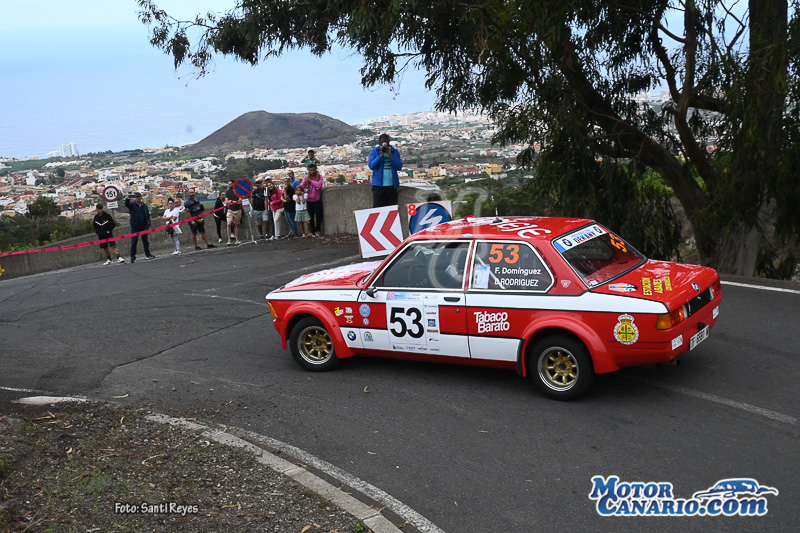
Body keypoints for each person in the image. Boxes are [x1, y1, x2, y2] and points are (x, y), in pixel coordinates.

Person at [368, 133, 403, 208]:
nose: (385, 144)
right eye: (383, 142)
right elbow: (372, 166)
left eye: (386, 142)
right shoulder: (374, 152)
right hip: (378, 185)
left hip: (392, 186)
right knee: (378, 208)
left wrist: (391, 156)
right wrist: (380, 156)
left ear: (389, 142)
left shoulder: (395, 152)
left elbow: (399, 166)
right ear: (379, 143)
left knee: (391, 208)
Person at [124, 191, 154, 263]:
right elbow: (127, 204)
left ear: (140, 197)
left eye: (138, 197)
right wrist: (127, 199)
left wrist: (148, 224)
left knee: (145, 241)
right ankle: (132, 257)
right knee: (134, 242)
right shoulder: (132, 205)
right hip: (135, 226)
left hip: (143, 226)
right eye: (136, 197)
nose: (138, 198)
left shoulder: (144, 205)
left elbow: (147, 215)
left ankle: (148, 254)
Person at [301, 164, 325, 236]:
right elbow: (302, 186)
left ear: (316, 169)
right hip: (309, 201)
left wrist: (311, 181)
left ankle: (318, 230)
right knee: (310, 217)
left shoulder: (319, 177)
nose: (312, 171)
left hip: (317, 200)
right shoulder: (306, 178)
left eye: (313, 170)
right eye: (311, 170)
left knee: (319, 216)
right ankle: (313, 231)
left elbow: (319, 185)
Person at [224, 180, 242, 245]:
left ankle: (237, 239)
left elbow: (240, 201)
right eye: (228, 184)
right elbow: (226, 202)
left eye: (230, 184)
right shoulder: (227, 192)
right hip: (230, 209)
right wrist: (233, 201)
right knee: (229, 224)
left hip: (237, 209)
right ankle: (229, 240)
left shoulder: (238, 191)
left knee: (237, 224)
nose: (229, 185)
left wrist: (231, 201)